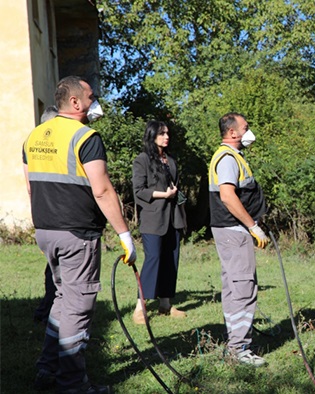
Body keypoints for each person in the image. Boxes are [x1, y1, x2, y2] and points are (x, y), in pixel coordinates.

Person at [23, 76, 137, 394]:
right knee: (78, 305)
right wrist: (125, 235)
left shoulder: (32, 137)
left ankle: (48, 369)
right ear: (76, 102)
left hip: (45, 230)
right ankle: (73, 384)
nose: (95, 100)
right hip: (77, 233)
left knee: (62, 299)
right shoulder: (85, 136)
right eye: (91, 96)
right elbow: (101, 189)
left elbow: (30, 186)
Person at [208, 112, 270, 367]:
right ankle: (239, 348)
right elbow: (228, 197)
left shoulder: (234, 157)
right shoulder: (227, 159)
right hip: (234, 231)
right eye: (245, 128)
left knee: (235, 287)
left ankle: (236, 343)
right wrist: (252, 226)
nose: (249, 132)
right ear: (232, 133)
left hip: (232, 230)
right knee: (243, 288)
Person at [131, 121, 187, 324]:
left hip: (174, 218)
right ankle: (140, 307)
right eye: (162, 133)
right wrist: (163, 195)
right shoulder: (142, 160)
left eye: (167, 133)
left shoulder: (170, 161)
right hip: (153, 219)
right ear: (152, 135)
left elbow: (176, 188)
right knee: (153, 258)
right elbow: (138, 191)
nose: (166, 137)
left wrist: (178, 199)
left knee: (170, 260)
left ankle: (165, 304)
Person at [33, 105, 59, 325]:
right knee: (54, 268)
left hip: (48, 219)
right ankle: (47, 311)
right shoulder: (41, 150)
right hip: (53, 218)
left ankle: (47, 309)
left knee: (53, 266)